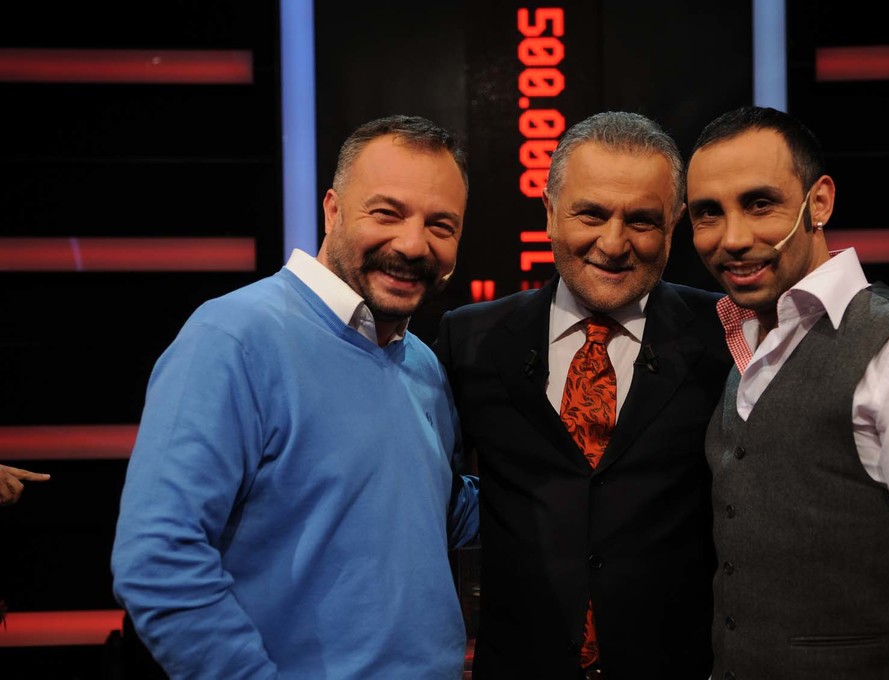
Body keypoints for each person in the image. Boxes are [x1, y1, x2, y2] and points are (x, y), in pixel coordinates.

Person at [111, 115, 480, 679]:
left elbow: (430, 518)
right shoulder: (233, 338)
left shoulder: (421, 364)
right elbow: (158, 560)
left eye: (440, 225)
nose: (412, 244)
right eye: (387, 213)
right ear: (333, 210)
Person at [685, 105, 889, 680]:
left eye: (760, 204)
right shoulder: (742, 340)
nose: (733, 238)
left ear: (819, 202)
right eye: (708, 213)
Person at [435, 111, 732, 679]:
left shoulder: (727, 335)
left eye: (642, 220)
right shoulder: (469, 339)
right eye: (591, 214)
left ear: (675, 224)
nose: (613, 244)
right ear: (549, 212)